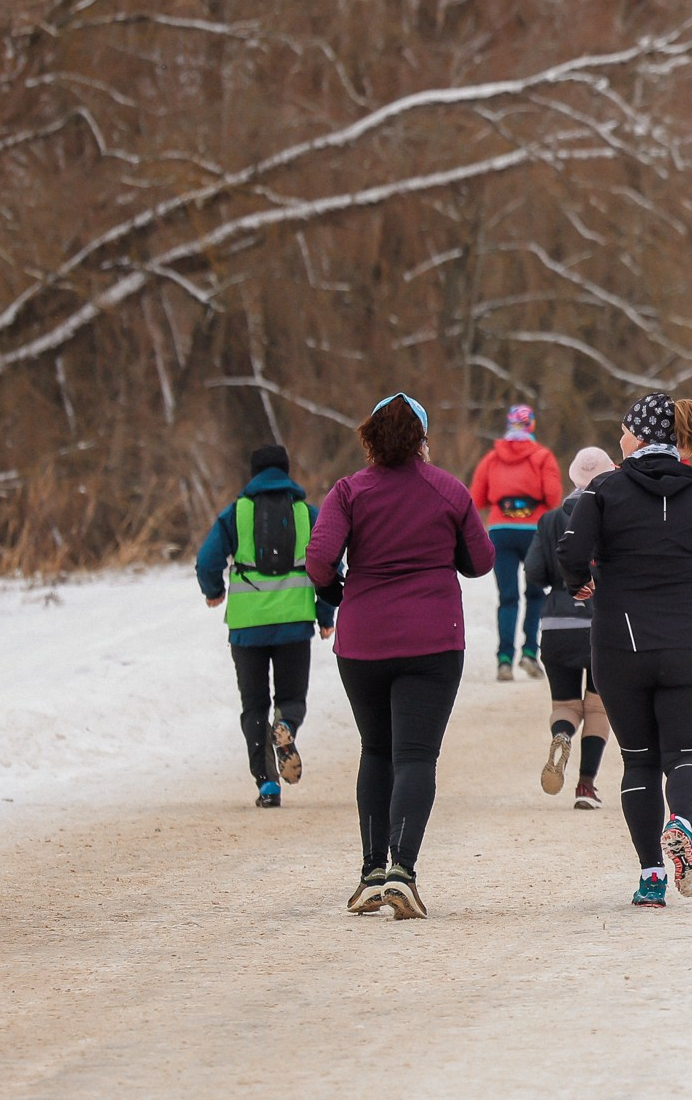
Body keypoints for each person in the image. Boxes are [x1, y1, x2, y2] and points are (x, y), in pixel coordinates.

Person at [555, 391, 692, 909]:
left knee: (639, 761)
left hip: (621, 642)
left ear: (640, 435)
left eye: (624, 429)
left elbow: (571, 550)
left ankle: (650, 878)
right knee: (688, 754)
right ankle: (681, 824)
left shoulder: (603, 490)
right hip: (691, 638)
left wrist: (581, 582)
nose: (619, 437)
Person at [305, 393, 493, 921]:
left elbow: (319, 559)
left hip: (363, 640)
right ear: (423, 439)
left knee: (376, 751)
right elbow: (481, 561)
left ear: (370, 436)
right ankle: (402, 874)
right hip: (433, 639)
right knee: (415, 756)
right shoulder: (448, 490)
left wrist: (338, 587)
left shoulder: (348, 492)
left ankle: (369, 874)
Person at [194, 443, 333, 809]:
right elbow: (328, 568)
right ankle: (285, 725)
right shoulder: (307, 514)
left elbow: (207, 560)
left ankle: (268, 786)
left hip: (247, 627)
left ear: (253, 474)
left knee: (253, 705)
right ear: (287, 471)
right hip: (294, 623)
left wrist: (214, 591)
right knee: (291, 699)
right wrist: (325, 615)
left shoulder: (235, 514)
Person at [519, 446, 617, 810]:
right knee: (598, 707)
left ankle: (561, 735)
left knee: (564, 703)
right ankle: (586, 785)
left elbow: (533, 572)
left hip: (558, 623)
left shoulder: (549, 521)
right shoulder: (614, 514)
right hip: (601, 621)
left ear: (573, 477)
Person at [468, 403, 564, 683]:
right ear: (531, 425)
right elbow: (553, 496)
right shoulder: (542, 456)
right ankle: (530, 653)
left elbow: (476, 498)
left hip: (501, 529)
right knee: (535, 594)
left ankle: (504, 659)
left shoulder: (491, 458)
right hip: (533, 530)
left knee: (507, 597)